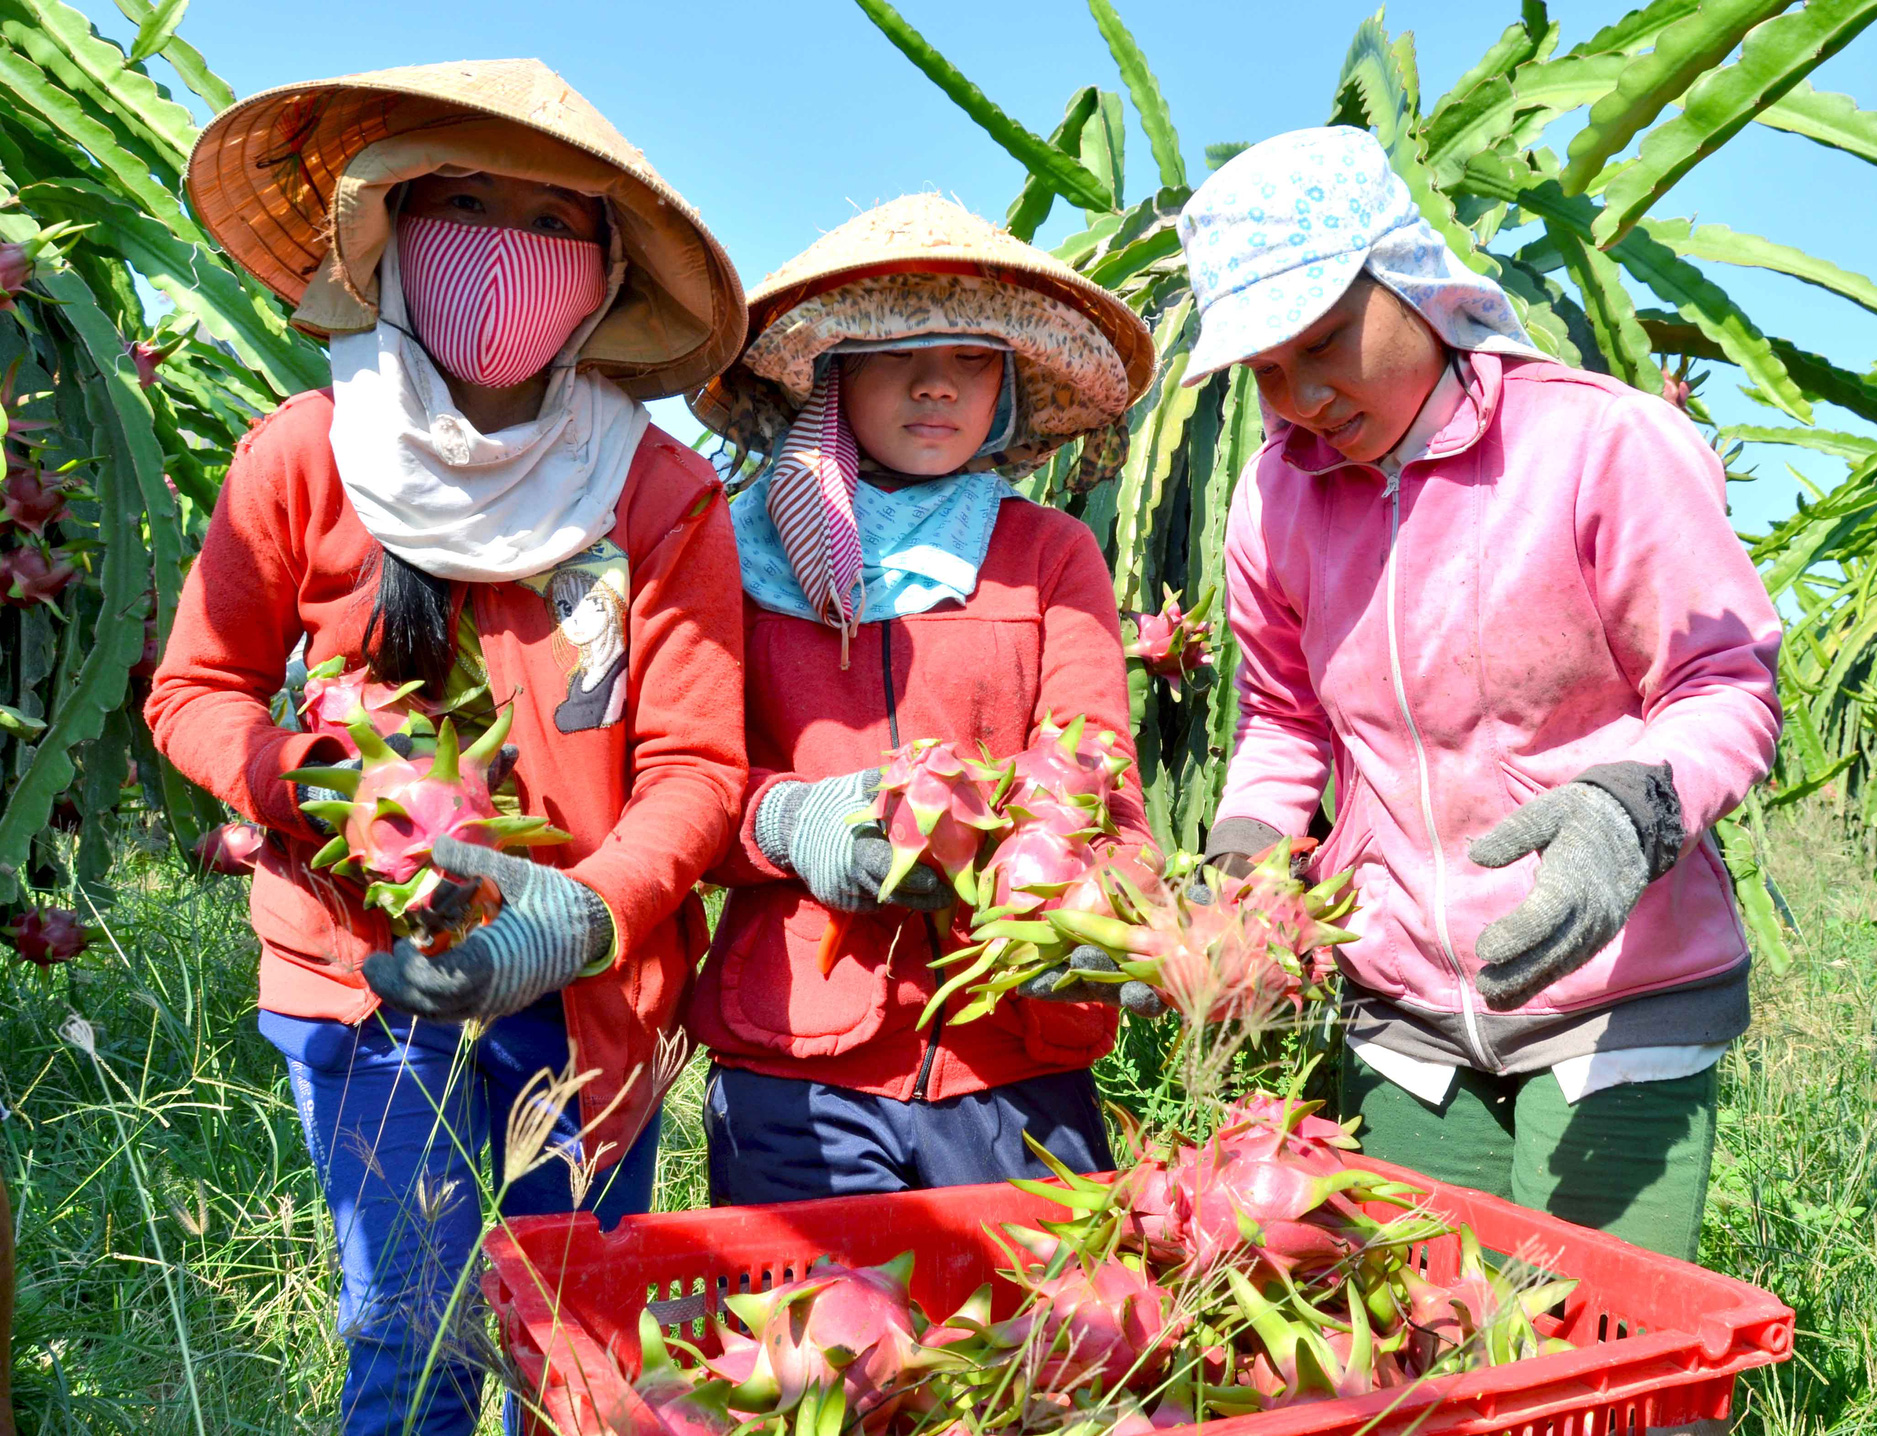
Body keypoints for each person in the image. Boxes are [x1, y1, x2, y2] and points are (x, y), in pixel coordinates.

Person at [146, 60, 748, 1434]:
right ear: (392, 231)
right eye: (466, 203)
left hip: (587, 998)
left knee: (575, 1360)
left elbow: (699, 767)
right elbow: (197, 689)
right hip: (371, 990)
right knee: (413, 1350)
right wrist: (319, 791)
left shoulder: (659, 492)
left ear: (601, 273)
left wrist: (586, 914)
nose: (504, 255)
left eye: (549, 223)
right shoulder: (304, 457)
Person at [1178, 128, 1782, 1262]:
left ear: (1411, 279)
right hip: (1401, 1011)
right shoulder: (1271, 502)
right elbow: (1280, 719)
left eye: (1320, 341)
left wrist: (1624, 814)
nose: (1299, 397)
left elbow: (1723, 679)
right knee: (1431, 1358)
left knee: (1591, 1356)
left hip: (1618, 999)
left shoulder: (1600, 444)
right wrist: (1241, 866)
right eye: (1262, 368)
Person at [689, 194, 1160, 1205]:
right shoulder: (728, 557)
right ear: (830, 373)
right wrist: (794, 822)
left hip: (1016, 1054)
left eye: (971, 359)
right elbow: (678, 787)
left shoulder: (1047, 555)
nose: (937, 384)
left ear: (1007, 385)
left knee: (1028, 1360)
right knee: (818, 1357)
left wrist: (1114, 915)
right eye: (897, 355)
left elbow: (1099, 778)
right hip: (797, 1058)